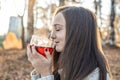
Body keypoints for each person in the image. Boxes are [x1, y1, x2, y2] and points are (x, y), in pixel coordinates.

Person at [27, 6, 112, 80]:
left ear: (78, 32)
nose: (51, 35)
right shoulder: (63, 69)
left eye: (58, 29)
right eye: (52, 29)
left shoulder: (95, 76)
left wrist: (45, 73)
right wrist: (40, 71)